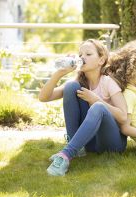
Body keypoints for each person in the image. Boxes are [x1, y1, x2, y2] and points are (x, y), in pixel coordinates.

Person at [39, 39, 127, 176]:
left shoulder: (108, 82)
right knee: (70, 87)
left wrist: (96, 100)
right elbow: (44, 97)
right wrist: (59, 73)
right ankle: (76, 148)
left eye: (88, 54)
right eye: (80, 55)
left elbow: (123, 116)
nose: (82, 57)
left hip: (112, 144)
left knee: (98, 107)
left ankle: (66, 155)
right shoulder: (79, 82)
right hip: (91, 144)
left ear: (101, 60)